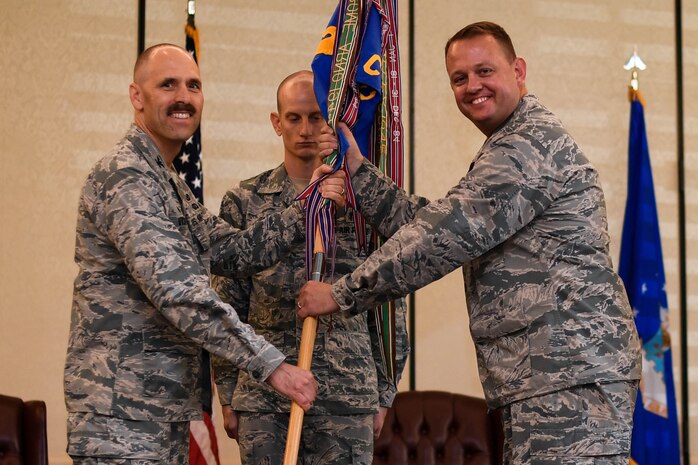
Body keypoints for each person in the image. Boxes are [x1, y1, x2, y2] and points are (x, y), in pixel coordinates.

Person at [297, 22, 642, 464]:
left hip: (568, 375)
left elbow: (443, 237)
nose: (472, 86)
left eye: (485, 71)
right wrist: (360, 174)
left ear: (518, 70)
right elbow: (437, 223)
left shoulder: (527, 145)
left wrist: (341, 294)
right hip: (548, 376)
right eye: (459, 78)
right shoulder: (507, 144)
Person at [64, 44, 346, 464]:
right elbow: (178, 291)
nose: (183, 96)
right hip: (122, 412)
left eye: (193, 85)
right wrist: (272, 366)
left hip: (158, 408)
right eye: (167, 85)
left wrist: (309, 204)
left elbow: (234, 250)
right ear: (137, 96)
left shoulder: (167, 181)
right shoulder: (126, 176)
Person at [211, 70, 409, 465]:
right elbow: (226, 303)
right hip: (266, 395)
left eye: (315, 117)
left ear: (331, 122)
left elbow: (389, 305)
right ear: (276, 122)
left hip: (347, 394)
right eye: (294, 118)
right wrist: (229, 393)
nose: (304, 129)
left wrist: (384, 393)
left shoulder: (365, 198)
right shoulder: (245, 201)